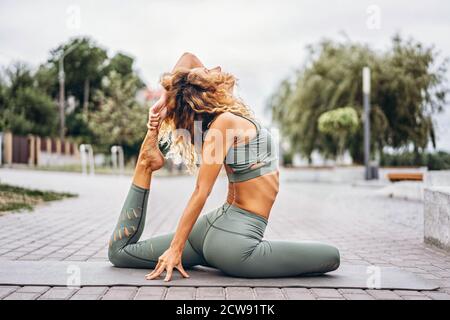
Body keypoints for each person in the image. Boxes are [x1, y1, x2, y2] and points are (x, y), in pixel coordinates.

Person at [108, 52, 340, 281]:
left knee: (121, 253)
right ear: (207, 89)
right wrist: (175, 249)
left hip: (207, 232)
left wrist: (164, 100)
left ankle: (146, 164)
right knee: (331, 256)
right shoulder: (224, 123)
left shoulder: (224, 116)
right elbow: (201, 191)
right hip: (237, 247)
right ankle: (146, 163)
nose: (216, 67)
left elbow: (187, 59)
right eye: (209, 71)